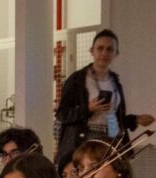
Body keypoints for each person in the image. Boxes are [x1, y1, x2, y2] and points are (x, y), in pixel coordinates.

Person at [55, 29, 155, 160]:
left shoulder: (115, 81)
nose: (104, 53)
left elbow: (114, 117)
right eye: (100, 48)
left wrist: (135, 119)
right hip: (86, 139)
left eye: (109, 49)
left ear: (116, 53)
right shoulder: (77, 79)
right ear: (92, 51)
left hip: (113, 137)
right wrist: (88, 109)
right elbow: (62, 114)